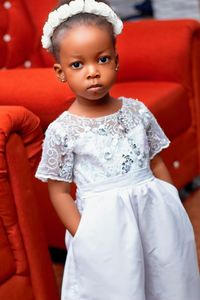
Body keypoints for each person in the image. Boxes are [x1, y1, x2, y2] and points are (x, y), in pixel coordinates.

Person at [35, 0, 200, 299]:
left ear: (116, 60)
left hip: (154, 216)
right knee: (116, 288)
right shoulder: (63, 130)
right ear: (60, 72)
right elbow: (58, 192)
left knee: (164, 276)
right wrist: (83, 234)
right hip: (102, 230)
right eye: (77, 64)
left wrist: (171, 202)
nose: (92, 72)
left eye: (102, 59)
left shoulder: (137, 111)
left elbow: (156, 162)